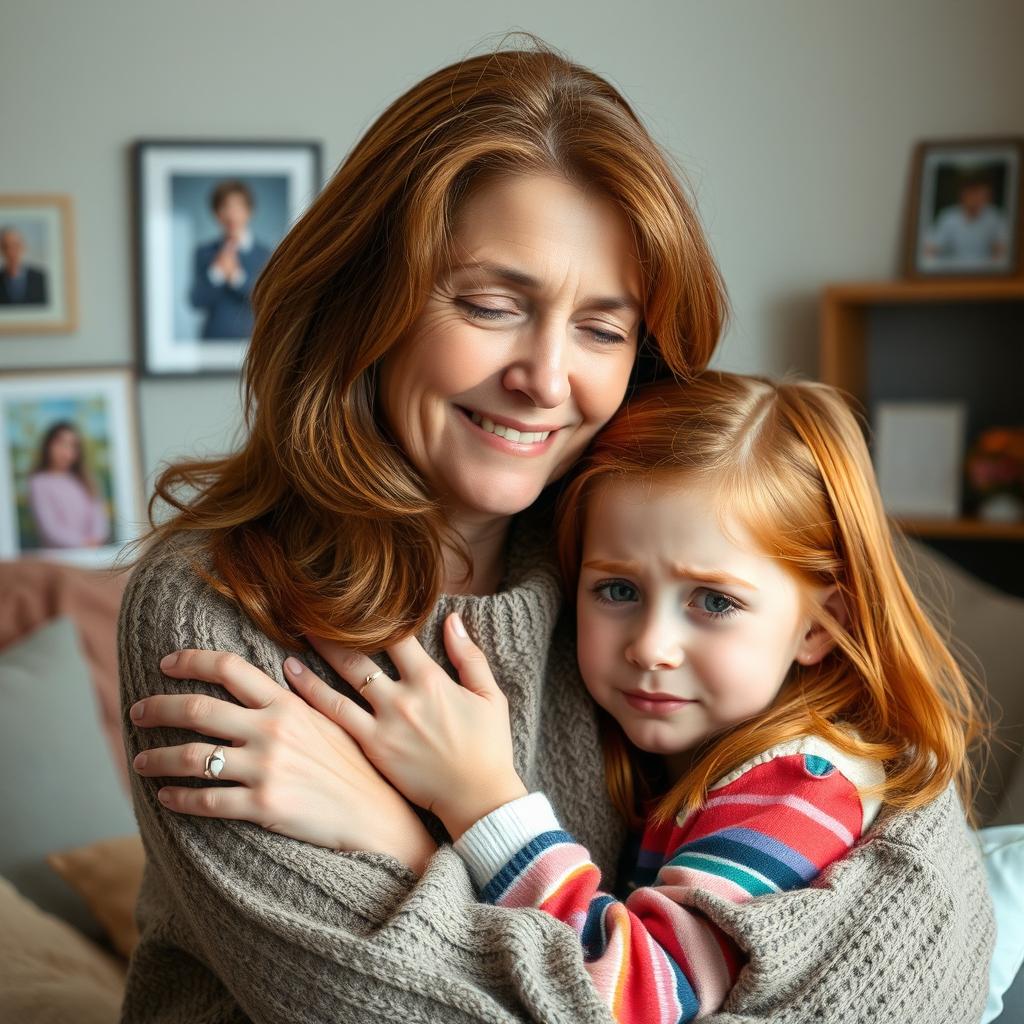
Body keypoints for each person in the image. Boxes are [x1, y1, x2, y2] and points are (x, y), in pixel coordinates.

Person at [119, 38, 993, 1024]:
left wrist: (407, 843)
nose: (546, 376)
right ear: (366, 302)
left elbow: (929, 930)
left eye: (603, 329)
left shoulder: (631, 547)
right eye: (493, 305)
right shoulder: (216, 603)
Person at [279, 371, 989, 1021]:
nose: (651, 645)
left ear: (818, 627)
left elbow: (636, 997)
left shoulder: (797, 787)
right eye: (617, 590)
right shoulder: (691, 757)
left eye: (713, 601)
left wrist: (482, 803)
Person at [187, 179, 272, 339]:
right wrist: (217, 272)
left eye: (238, 207)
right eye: (225, 207)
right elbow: (196, 301)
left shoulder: (264, 254)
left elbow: (265, 300)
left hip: (251, 341)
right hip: (212, 342)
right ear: (216, 214)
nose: (231, 214)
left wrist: (236, 276)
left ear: (249, 211)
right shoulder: (204, 252)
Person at [27, 420, 110, 549]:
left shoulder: (87, 480)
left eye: (72, 446)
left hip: (92, 555)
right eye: (61, 444)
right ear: (48, 446)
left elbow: (99, 517)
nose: (66, 451)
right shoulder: (39, 483)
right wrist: (83, 543)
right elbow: (50, 528)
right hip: (58, 559)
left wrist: (95, 539)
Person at [923, 167, 1010, 268]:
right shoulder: (948, 217)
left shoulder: (995, 217)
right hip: (954, 272)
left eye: (981, 194)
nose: (976, 199)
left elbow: (1001, 250)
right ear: (964, 194)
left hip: (987, 274)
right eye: (973, 193)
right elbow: (932, 249)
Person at [0, 226, 48, 305]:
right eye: (6, 247)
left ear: (23, 247)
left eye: (15, 245)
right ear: (1, 250)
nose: (11, 252)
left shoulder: (41, 278)